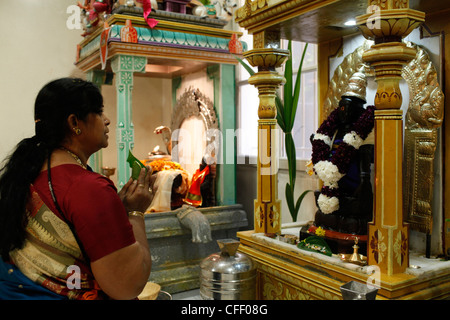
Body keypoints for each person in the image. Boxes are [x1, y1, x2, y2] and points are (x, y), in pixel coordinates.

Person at [0, 78, 152, 300]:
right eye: (99, 112)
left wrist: (117, 209)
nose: (107, 121)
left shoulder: (29, 171)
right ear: (74, 123)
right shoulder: (88, 187)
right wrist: (136, 212)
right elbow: (127, 285)